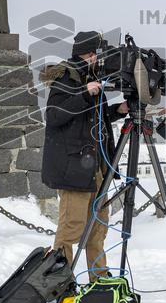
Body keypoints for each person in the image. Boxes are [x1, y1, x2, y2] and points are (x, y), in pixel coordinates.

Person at [40, 31, 129, 279]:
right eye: (99, 54)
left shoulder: (91, 79)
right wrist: (83, 93)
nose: (103, 59)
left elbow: (92, 119)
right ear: (90, 54)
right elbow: (54, 116)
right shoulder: (67, 79)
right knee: (71, 229)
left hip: (96, 169)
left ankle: (99, 278)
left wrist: (119, 111)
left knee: (98, 228)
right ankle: (59, 283)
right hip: (74, 170)